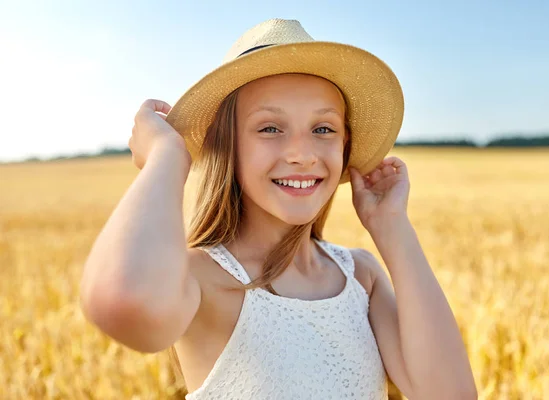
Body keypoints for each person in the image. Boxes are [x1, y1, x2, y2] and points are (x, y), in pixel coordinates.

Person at [79, 18, 477, 400]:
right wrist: (168, 156)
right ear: (228, 147)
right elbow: (122, 302)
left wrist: (392, 227)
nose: (302, 154)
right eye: (270, 128)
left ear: (345, 145)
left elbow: (451, 394)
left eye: (323, 129)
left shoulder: (361, 278)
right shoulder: (203, 281)